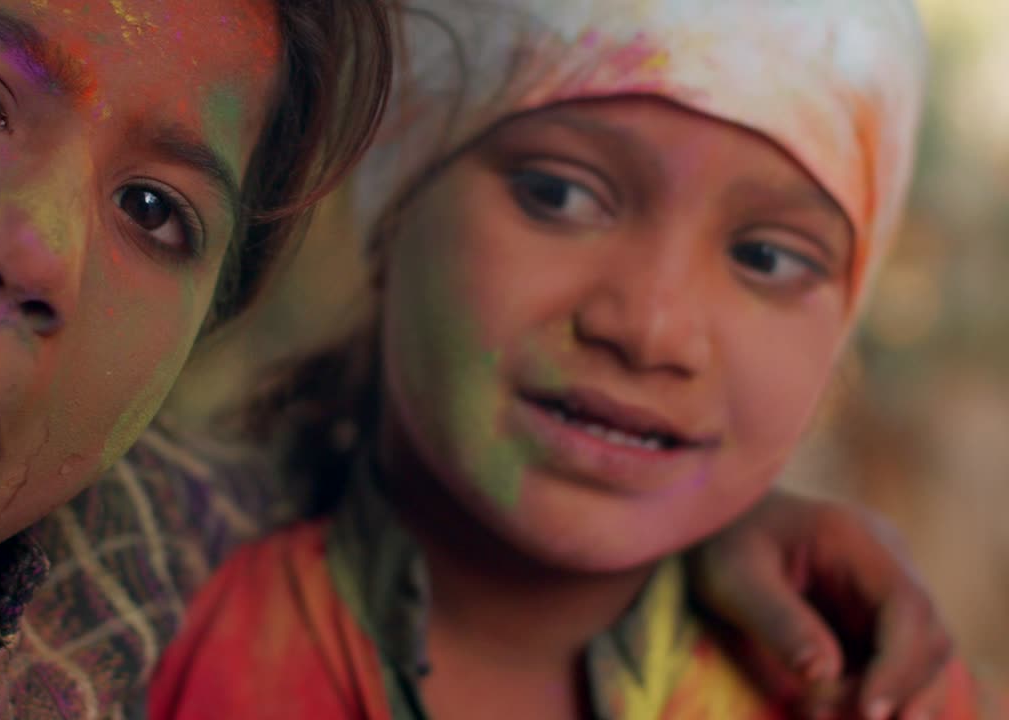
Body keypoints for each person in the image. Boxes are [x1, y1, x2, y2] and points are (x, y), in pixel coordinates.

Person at [0, 1, 960, 718]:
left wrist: (706, 536)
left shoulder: (154, 539)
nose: (34, 252)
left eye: (158, 211)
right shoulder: (235, 626)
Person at [147, 0, 1004, 717]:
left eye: (767, 258)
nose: (651, 329)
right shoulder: (128, 608)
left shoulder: (877, 696)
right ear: (397, 209)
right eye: (558, 195)